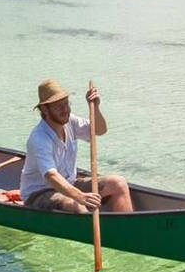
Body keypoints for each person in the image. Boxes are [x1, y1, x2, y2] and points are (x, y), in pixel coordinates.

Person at [18, 79, 132, 213]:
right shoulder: (39, 138)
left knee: (118, 183)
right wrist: (80, 196)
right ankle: (88, 229)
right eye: (58, 106)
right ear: (44, 109)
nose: (65, 110)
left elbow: (100, 130)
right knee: (76, 204)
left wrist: (96, 107)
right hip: (39, 193)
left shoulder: (70, 121)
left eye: (66, 104)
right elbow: (51, 176)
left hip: (69, 184)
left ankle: (126, 230)